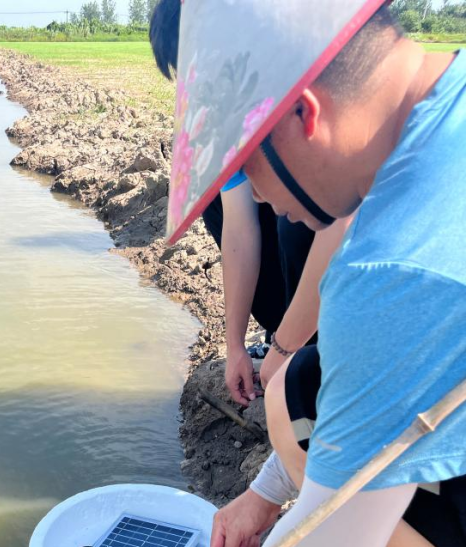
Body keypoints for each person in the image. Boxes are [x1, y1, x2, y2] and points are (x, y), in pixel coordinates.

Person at [158, 0, 466, 547]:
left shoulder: (391, 272)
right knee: (307, 393)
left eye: (243, 170)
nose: (256, 199)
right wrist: (266, 497)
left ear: (302, 113)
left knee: (299, 418)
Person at [149, 0, 351, 404]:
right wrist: (236, 345)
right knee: (224, 204)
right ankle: (296, 339)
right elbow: (240, 227)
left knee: (294, 221)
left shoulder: (310, 86)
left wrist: (285, 351)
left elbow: (344, 220)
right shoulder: (236, 115)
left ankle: (323, 355)